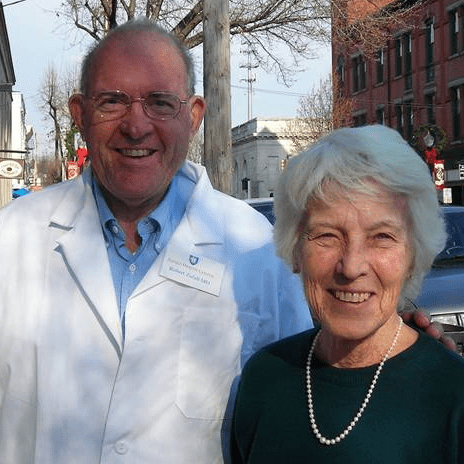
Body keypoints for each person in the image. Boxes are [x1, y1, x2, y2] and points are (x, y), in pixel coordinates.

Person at [0, 19, 312, 464]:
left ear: (194, 116)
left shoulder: (257, 249)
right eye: (112, 101)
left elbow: (314, 399)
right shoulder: (11, 240)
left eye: (161, 103)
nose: (136, 125)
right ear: (79, 113)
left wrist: (397, 348)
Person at [231, 125, 464, 463]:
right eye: (327, 236)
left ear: (413, 256)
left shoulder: (452, 396)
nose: (351, 266)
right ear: (295, 250)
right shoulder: (263, 379)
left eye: (381, 236)